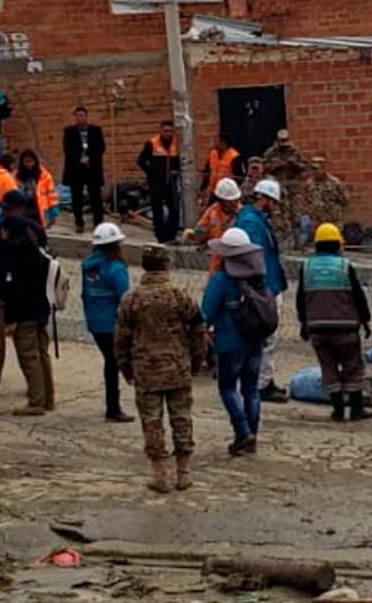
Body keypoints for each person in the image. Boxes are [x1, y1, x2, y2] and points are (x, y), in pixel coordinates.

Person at [117, 243, 205, 493]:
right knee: (182, 418)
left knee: (152, 422)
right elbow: (198, 328)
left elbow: (121, 338)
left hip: (146, 371)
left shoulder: (131, 298)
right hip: (177, 367)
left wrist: (126, 368)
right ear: (166, 264)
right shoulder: (180, 295)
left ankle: (160, 474)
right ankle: (184, 472)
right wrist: (196, 360)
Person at [297, 224, 372, 421]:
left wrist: (304, 324)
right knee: (353, 366)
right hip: (346, 328)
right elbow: (358, 296)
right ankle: (356, 410)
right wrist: (365, 320)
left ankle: (338, 410)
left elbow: (300, 299)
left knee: (328, 367)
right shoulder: (344, 266)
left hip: (318, 329)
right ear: (338, 245)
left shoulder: (306, 267)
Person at [203, 228, 268, 455]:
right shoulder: (258, 277)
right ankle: (253, 433)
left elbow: (207, 313)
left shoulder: (221, 280)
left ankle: (242, 432)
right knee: (251, 389)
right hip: (256, 340)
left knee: (227, 387)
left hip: (230, 343)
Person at [235, 179, 288, 403]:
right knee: (266, 338)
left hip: (267, 286)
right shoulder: (251, 222)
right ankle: (261, 384)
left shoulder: (256, 220)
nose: (275, 207)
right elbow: (253, 257)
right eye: (273, 203)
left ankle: (262, 379)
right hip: (263, 290)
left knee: (266, 338)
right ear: (263, 199)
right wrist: (259, 289)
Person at [0, 213, 54, 416]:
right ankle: (48, 398)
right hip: (42, 309)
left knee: (29, 357)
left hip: (25, 312)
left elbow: (14, 287)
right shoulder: (36, 251)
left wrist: (11, 318)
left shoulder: (13, 251)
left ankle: (36, 400)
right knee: (42, 354)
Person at [82, 223, 134, 423]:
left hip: (95, 321)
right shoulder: (116, 269)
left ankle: (113, 405)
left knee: (110, 361)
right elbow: (125, 299)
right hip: (112, 322)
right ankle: (113, 408)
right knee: (114, 363)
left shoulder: (88, 264)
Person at [62, 106, 107, 232]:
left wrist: (90, 158)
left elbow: (101, 148)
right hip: (76, 169)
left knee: (95, 197)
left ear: (86, 117)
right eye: (77, 115)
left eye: (82, 115)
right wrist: (79, 159)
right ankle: (79, 222)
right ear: (75, 117)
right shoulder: (69, 132)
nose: (80, 118)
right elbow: (68, 150)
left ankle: (98, 222)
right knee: (77, 197)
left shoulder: (96, 130)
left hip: (92, 168)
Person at [184, 178, 242, 275]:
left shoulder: (243, 214)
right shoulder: (213, 211)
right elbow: (202, 228)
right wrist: (194, 235)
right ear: (221, 200)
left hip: (236, 258)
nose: (233, 203)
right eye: (230, 201)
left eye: (235, 200)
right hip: (217, 258)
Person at [137, 121, 182, 244]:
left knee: (174, 208)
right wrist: (151, 173)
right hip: (156, 183)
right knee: (158, 210)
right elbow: (140, 161)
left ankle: (171, 234)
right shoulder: (152, 143)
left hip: (171, 182)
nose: (168, 134)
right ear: (161, 131)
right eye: (166, 131)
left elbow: (179, 162)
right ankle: (160, 236)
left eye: (171, 131)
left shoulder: (176, 144)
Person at [14, 149, 59, 229]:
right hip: (23, 211)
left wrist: (54, 212)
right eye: (27, 162)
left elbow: (52, 195)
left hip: (39, 211)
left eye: (31, 161)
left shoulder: (45, 177)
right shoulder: (15, 177)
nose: (29, 164)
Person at [305, 157, 349, 228]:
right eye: (313, 170)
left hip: (333, 221)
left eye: (317, 169)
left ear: (324, 169)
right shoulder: (309, 183)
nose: (315, 172)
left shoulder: (334, 182)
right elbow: (307, 200)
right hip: (316, 222)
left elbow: (345, 200)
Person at [202, 133, 241, 201]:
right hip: (213, 192)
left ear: (223, 142)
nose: (214, 143)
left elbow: (239, 177)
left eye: (217, 141)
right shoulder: (213, 154)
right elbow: (207, 172)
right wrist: (202, 188)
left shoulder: (234, 156)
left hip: (227, 193)